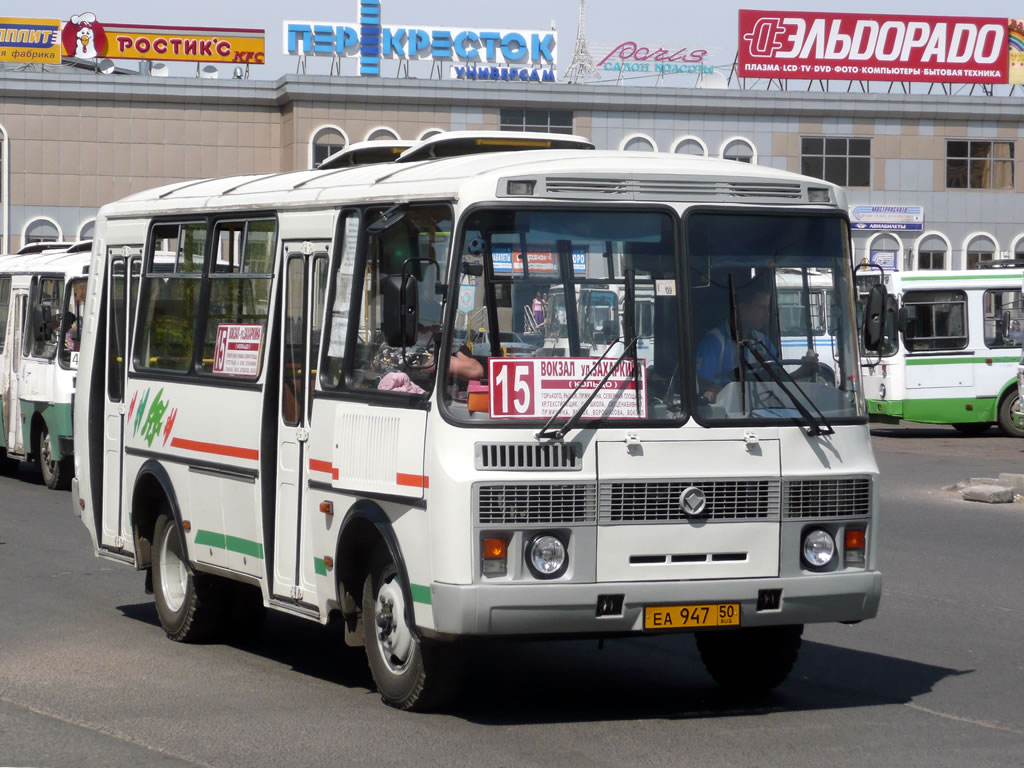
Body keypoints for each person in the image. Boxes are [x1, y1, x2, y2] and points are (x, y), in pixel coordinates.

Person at [696, 286, 781, 402]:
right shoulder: (714, 341)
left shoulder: (763, 342)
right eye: (761, 308)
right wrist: (731, 397)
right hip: (725, 414)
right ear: (742, 309)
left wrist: (803, 371)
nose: (767, 315)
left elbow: (780, 380)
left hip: (759, 408)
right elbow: (702, 383)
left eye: (768, 309)